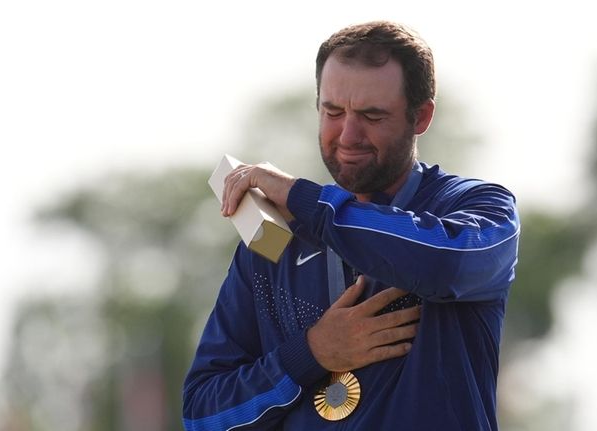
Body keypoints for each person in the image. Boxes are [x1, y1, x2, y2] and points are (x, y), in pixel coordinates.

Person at [182, 21, 520, 430]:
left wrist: (306, 201)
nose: (348, 134)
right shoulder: (273, 241)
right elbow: (203, 416)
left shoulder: (477, 207)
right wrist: (310, 355)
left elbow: (446, 266)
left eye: (372, 115)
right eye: (333, 111)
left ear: (422, 116)